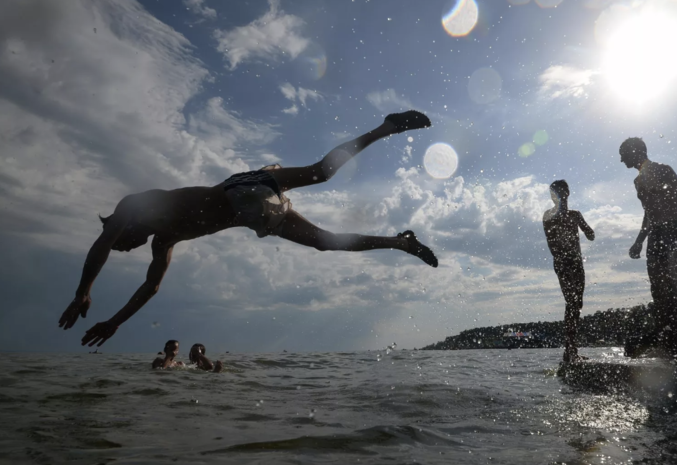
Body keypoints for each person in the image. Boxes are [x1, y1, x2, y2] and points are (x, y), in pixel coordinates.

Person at [59, 111, 438, 347]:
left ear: (119, 229)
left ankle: (387, 126)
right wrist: (114, 322)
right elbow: (151, 286)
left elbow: (101, 246)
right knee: (324, 243)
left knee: (320, 172)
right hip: (252, 216)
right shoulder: (165, 241)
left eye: (124, 246)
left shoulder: (136, 205)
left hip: (240, 189)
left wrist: (82, 293)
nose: (128, 248)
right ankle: (401, 243)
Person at [620, 137, 677, 356]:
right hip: (655, 236)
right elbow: (649, 213)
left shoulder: (664, 170)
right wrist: (639, 240)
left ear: (635, 152)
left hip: (674, 231)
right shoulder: (637, 182)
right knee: (658, 291)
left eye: (622, 154)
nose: (620, 160)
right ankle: (670, 342)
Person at [542, 180, 594, 363]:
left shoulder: (575, 215)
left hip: (577, 263)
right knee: (571, 302)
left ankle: (571, 350)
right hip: (563, 263)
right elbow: (551, 243)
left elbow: (591, 234)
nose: (556, 196)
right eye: (553, 193)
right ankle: (570, 350)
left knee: (577, 304)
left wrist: (585, 227)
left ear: (567, 193)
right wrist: (562, 259)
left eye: (559, 192)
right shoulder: (548, 215)